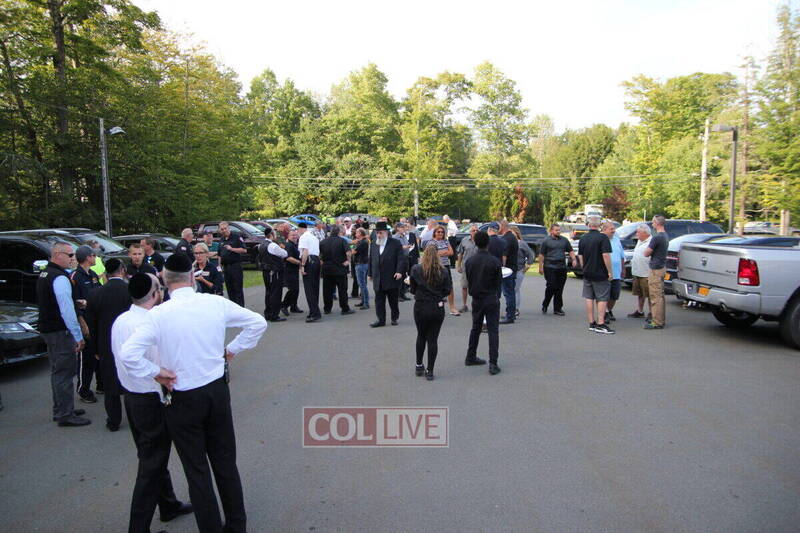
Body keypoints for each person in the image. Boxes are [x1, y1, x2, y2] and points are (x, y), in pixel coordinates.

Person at [119, 254, 267, 533]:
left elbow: (128, 353)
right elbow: (258, 322)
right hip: (216, 391)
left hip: (183, 397)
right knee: (225, 462)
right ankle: (237, 525)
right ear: (191, 276)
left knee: (196, 470)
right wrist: (232, 349)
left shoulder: (158, 315)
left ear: (165, 280)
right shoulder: (214, 303)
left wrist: (155, 372)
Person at [111, 273, 193, 533]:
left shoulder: (121, 319)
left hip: (132, 397)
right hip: (150, 400)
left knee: (153, 458)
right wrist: (161, 373)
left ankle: (168, 504)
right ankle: (138, 527)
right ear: (155, 294)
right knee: (151, 465)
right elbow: (159, 363)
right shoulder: (149, 323)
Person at [37, 242, 90, 427]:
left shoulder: (45, 273)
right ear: (58, 254)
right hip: (60, 331)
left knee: (57, 371)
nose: (72, 258)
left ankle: (61, 408)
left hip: (49, 329)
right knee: (64, 373)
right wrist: (78, 335)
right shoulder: (59, 277)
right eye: (70, 255)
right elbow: (66, 310)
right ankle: (65, 414)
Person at [84, 258, 132, 430]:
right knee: (131, 381)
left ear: (106, 273)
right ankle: (134, 417)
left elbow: (91, 324)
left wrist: (95, 348)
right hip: (129, 341)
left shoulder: (95, 294)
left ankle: (113, 420)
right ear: (122, 270)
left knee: (110, 383)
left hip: (106, 343)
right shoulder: (130, 291)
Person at [410, 243, 452, 380]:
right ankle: (430, 370)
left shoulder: (416, 269)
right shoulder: (443, 271)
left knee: (421, 335)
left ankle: (418, 364)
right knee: (433, 339)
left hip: (421, 306)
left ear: (424, 254)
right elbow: (447, 290)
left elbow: (412, 289)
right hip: (436, 306)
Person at [464, 230, 503, 375]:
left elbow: (469, 279)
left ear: (475, 242)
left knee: (476, 327)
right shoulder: (494, 261)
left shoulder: (470, 261)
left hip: (477, 298)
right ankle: (493, 362)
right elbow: (498, 282)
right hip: (490, 297)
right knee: (493, 330)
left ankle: (470, 356)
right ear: (488, 243)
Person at [70, 245, 102, 404]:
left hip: (96, 321)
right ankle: (83, 390)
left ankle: (101, 384)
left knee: (98, 356)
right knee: (87, 358)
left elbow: (100, 293)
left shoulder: (93, 274)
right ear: (88, 257)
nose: (95, 258)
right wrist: (82, 324)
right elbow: (74, 303)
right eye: (94, 255)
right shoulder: (75, 277)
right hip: (85, 322)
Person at [578, 216, 614, 334]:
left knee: (589, 297)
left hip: (587, 272)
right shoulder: (603, 238)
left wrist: (584, 267)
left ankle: (591, 322)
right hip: (600, 272)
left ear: (588, 225)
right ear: (599, 225)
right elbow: (605, 255)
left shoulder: (583, 238)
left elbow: (580, 256)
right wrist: (609, 271)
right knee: (602, 297)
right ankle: (601, 323)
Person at [368, 221, 407, 327]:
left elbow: (401, 259)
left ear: (386, 232)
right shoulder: (374, 243)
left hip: (391, 276)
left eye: (380, 232)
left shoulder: (395, 243)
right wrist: (370, 273)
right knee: (379, 301)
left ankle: (394, 318)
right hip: (378, 277)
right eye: (377, 233)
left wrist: (399, 271)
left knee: (393, 300)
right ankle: (381, 320)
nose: (378, 235)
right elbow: (371, 259)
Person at [538, 223, 577, 315]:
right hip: (549, 267)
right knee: (551, 286)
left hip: (561, 267)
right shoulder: (546, 241)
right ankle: (545, 304)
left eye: (559, 230)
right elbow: (541, 255)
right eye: (556, 230)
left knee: (559, 288)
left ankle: (558, 308)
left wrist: (574, 259)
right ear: (551, 231)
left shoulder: (564, 240)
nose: (558, 232)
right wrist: (540, 267)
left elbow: (570, 251)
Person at [423, 226, 459, 316]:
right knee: (435, 287)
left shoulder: (446, 241)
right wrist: (445, 252)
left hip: (446, 266)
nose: (440, 233)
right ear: (434, 233)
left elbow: (451, 252)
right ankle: (434, 308)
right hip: (436, 266)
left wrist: (440, 253)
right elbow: (431, 254)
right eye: (438, 232)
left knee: (449, 286)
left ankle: (452, 308)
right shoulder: (431, 242)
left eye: (442, 232)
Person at [319, 226, 354, 316]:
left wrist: (322, 261)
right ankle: (344, 308)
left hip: (327, 269)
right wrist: (348, 261)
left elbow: (319, 254)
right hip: (340, 269)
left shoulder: (323, 242)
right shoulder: (342, 241)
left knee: (327, 290)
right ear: (339, 232)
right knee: (342, 290)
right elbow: (348, 252)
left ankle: (327, 308)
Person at [643, 215, 669, 330]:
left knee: (655, 296)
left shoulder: (657, 237)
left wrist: (646, 249)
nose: (652, 224)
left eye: (653, 222)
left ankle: (657, 322)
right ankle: (660, 319)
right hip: (662, 267)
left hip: (656, 269)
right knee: (660, 296)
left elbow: (646, 253)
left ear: (657, 223)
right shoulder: (665, 235)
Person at [258, 226, 288, 322]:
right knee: (276, 292)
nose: (276, 235)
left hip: (266, 271)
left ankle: (268, 313)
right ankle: (274, 314)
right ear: (271, 235)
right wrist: (282, 247)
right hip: (274, 271)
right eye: (274, 234)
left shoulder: (261, 244)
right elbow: (285, 254)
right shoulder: (273, 245)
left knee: (268, 291)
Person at [602, 221, 626, 322]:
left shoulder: (616, 240)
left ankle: (608, 310)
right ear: (604, 230)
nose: (613, 231)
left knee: (614, 295)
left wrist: (623, 268)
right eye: (611, 229)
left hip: (616, 273)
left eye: (614, 228)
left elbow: (621, 255)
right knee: (604, 295)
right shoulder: (601, 240)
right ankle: (604, 313)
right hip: (604, 273)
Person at [298, 222, 322, 322]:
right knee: (315, 287)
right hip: (316, 260)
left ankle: (315, 313)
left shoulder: (303, 237)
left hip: (309, 261)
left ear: (300, 228)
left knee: (309, 289)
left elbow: (305, 251)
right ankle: (314, 311)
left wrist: (303, 265)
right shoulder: (314, 237)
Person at [219, 221, 246, 307]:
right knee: (230, 290)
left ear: (229, 228)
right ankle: (233, 309)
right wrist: (219, 267)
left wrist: (232, 249)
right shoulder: (222, 239)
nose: (224, 230)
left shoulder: (236, 237)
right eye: (222, 229)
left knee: (237, 289)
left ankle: (241, 309)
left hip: (235, 266)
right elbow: (220, 255)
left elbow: (244, 250)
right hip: (226, 268)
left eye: (225, 228)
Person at [510, 226, 536, 316]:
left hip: (519, 269)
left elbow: (531, 255)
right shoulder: (508, 243)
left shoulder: (522, 244)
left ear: (516, 233)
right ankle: (511, 309)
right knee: (510, 290)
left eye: (512, 233)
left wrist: (527, 266)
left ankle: (515, 309)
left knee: (515, 289)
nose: (510, 235)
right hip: (510, 270)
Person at [628, 224, 652, 319]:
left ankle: (652, 313)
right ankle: (640, 311)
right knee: (640, 293)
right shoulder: (640, 240)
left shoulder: (651, 241)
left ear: (645, 233)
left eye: (638, 232)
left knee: (649, 294)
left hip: (646, 273)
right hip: (637, 272)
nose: (636, 234)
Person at [456, 223, 479, 313]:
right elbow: (460, 253)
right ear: (470, 232)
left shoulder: (481, 241)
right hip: (466, 268)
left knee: (476, 287)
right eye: (473, 230)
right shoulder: (464, 240)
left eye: (477, 230)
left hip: (478, 268)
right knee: (464, 286)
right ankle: (464, 305)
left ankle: (476, 305)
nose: (475, 232)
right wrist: (458, 265)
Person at [499, 221, 519, 324]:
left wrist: (502, 268)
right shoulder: (512, 237)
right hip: (513, 268)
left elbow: (504, 256)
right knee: (511, 292)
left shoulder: (506, 239)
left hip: (507, 270)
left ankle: (510, 316)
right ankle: (511, 314)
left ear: (502, 227)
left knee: (508, 293)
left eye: (498, 226)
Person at [281, 230, 304, 316]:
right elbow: (288, 258)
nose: (294, 237)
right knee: (293, 289)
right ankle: (284, 305)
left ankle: (293, 306)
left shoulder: (296, 245)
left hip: (294, 270)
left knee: (296, 289)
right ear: (288, 236)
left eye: (295, 235)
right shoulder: (289, 245)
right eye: (292, 235)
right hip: (289, 270)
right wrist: (300, 263)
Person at [392, 222, 414, 301]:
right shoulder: (395, 237)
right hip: (399, 259)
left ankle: (402, 294)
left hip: (406, 258)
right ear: (397, 228)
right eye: (402, 227)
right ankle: (398, 295)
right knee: (399, 277)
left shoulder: (404, 236)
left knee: (405, 276)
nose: (404, 229)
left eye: (404, 227)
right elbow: (396, 248)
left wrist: (408, 246)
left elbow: (406, 245)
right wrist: (405, 247)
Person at [352, 228, 371, 310]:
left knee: (362, 284)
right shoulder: (362, 241)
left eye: (357, 232)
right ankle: (363, 301)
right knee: (362, 284)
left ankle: (366, 303)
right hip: (362, 264)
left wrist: (349, 249)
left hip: (361, 264)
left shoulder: (363, 242)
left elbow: (354, 252)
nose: (355, 234)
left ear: (360, 233)